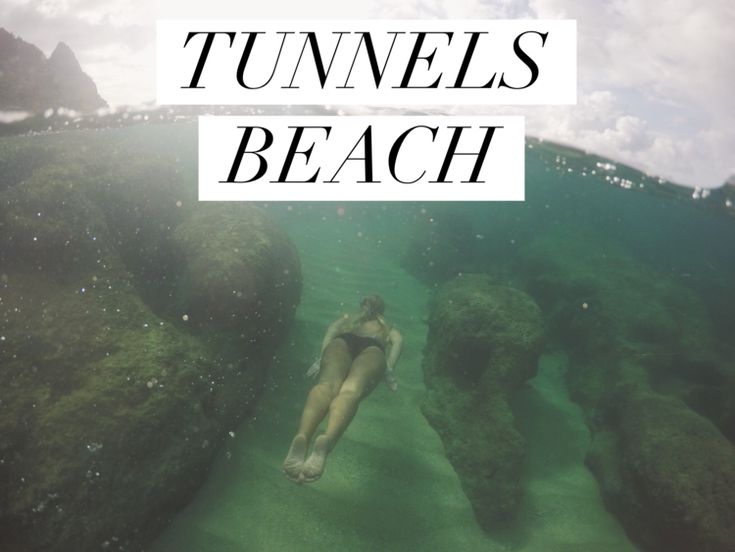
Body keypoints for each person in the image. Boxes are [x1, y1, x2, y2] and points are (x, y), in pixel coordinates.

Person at [282, 294, 403, 483]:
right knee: (350, 392)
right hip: (373, 347)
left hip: (343, 340)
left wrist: (322, 355)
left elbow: (332, 330)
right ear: (382, 310)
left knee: (326, 386)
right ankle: (326, 441)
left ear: (362, 305)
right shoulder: (387, 326)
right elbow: (398, 341)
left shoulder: (350, 319)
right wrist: (389, 368)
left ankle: (303, 435)